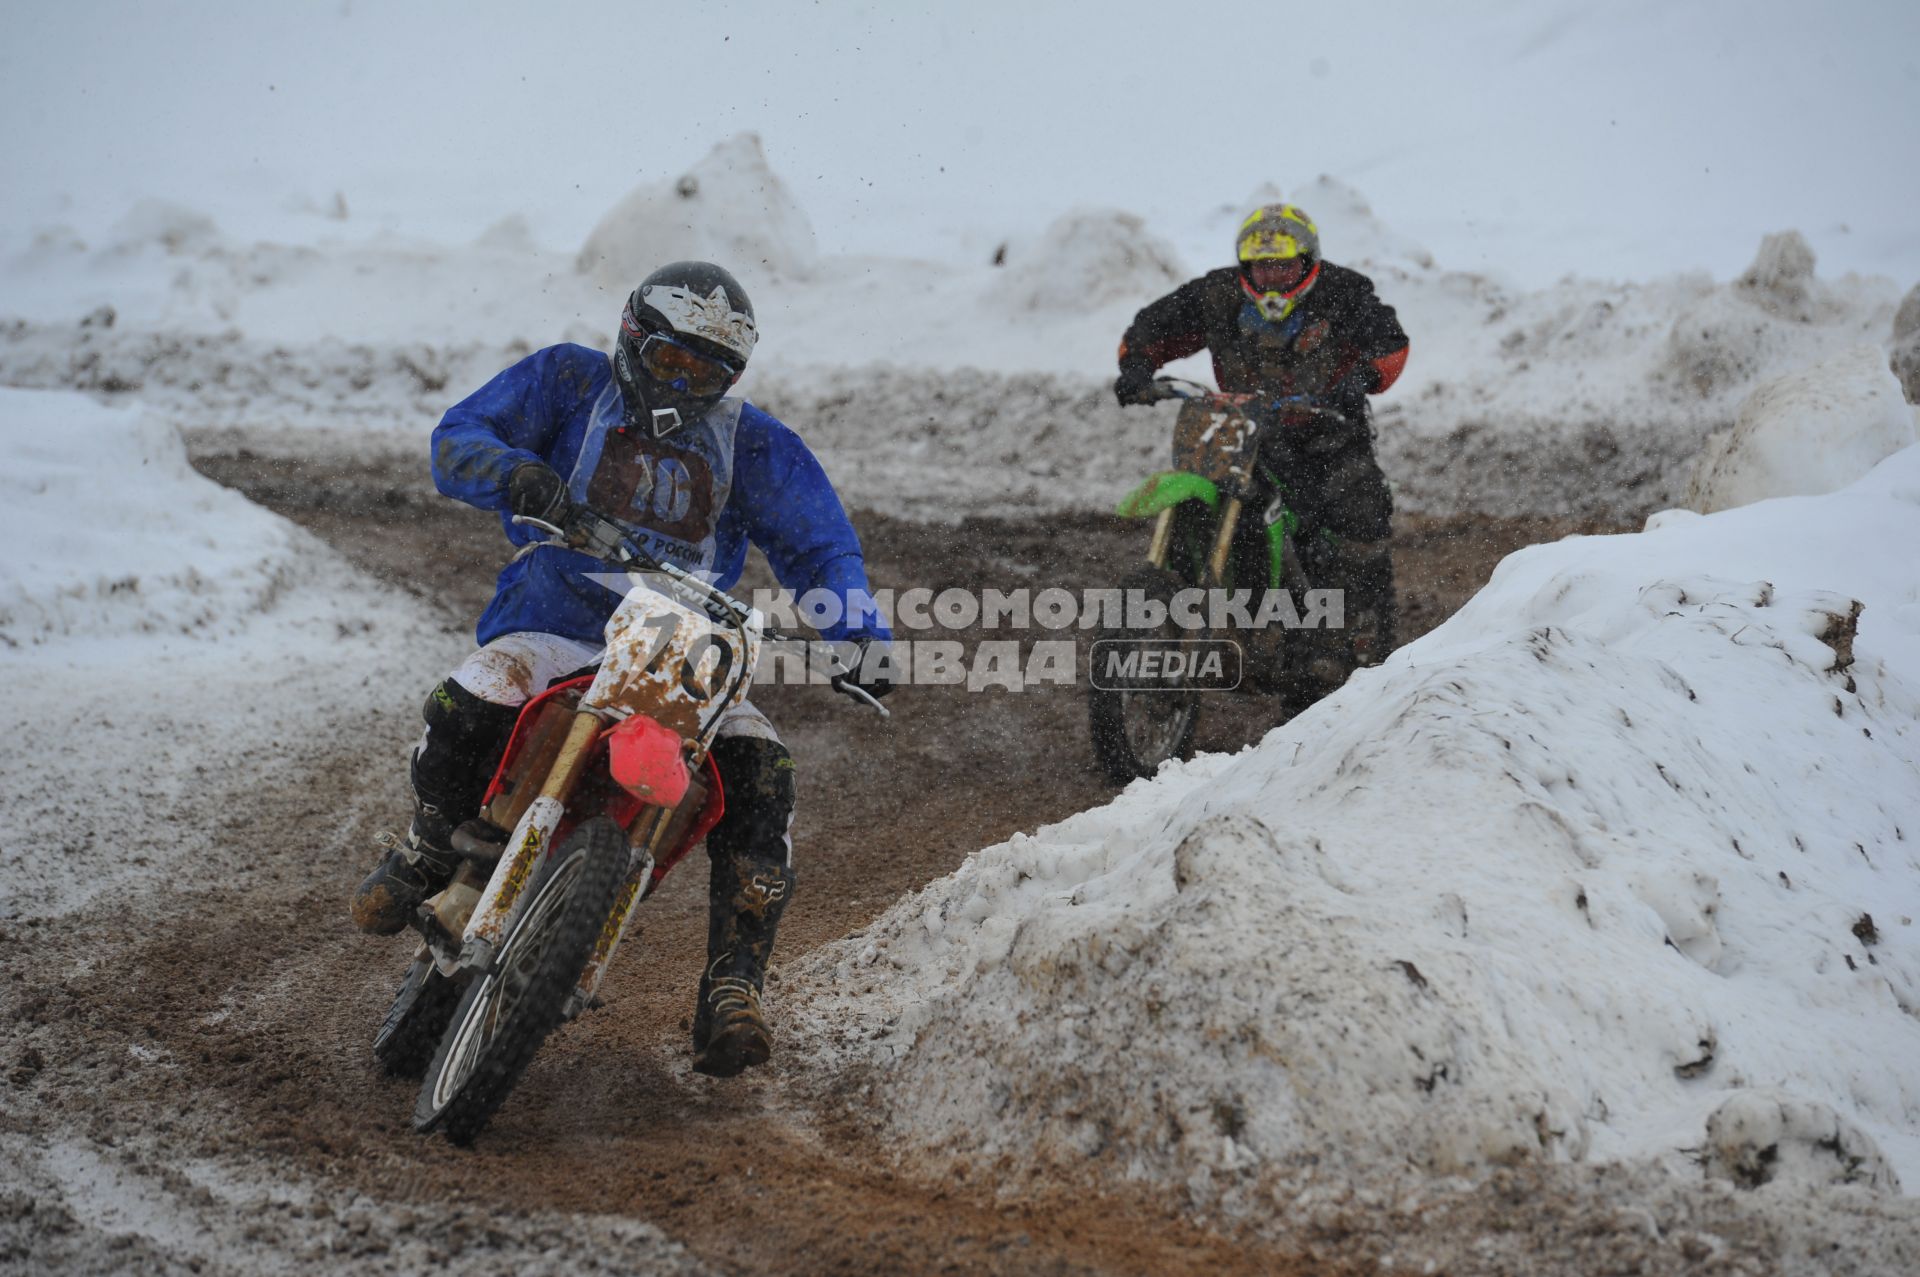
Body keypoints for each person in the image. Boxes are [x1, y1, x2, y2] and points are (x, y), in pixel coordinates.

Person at [350, 260, 893, 1078]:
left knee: (764, 772)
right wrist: (516, 472)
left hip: (682, 648)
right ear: (633, 341)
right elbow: (456, 439)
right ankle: (430, 843)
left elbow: (821, 547)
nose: (683, 381)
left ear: (731, 377)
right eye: (670, 360)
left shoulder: (755, 442)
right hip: (555, 621)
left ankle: (732, 986)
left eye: (705, 371)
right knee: (475, 697)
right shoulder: (567, 379)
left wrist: (856, 630)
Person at [1114, 202, 1410, 681]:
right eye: (1262, 265)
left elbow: (1390, 343)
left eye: (1283, 264)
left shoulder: (1344, 292)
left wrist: (1362, 377)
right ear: (1246, 265)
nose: (1272, 275)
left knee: (1357, 512)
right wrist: (1136, 368)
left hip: (1327, 434)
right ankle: (1193, 598)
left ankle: (1343, 642)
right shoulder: (1218, 295)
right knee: (1208, 499)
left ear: (1307, 262)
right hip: (1242, 430)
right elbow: (1152, 327)